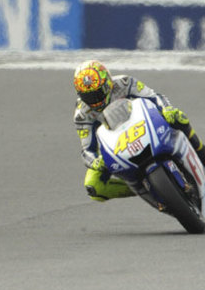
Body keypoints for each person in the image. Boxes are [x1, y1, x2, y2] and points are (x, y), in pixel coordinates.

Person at [73, 60, 205, 202]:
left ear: (107, 84)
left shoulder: (124, 83)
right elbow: (87, 150)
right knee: (93, 186)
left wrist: (167, 109)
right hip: (116, 145)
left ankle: (201, 153)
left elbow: (154, 96)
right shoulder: (82, 114)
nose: (95, 100)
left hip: (143, 124)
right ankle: (145, 187)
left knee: (178, 117)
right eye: (88, 96)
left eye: (98, 93)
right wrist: (95, 162)